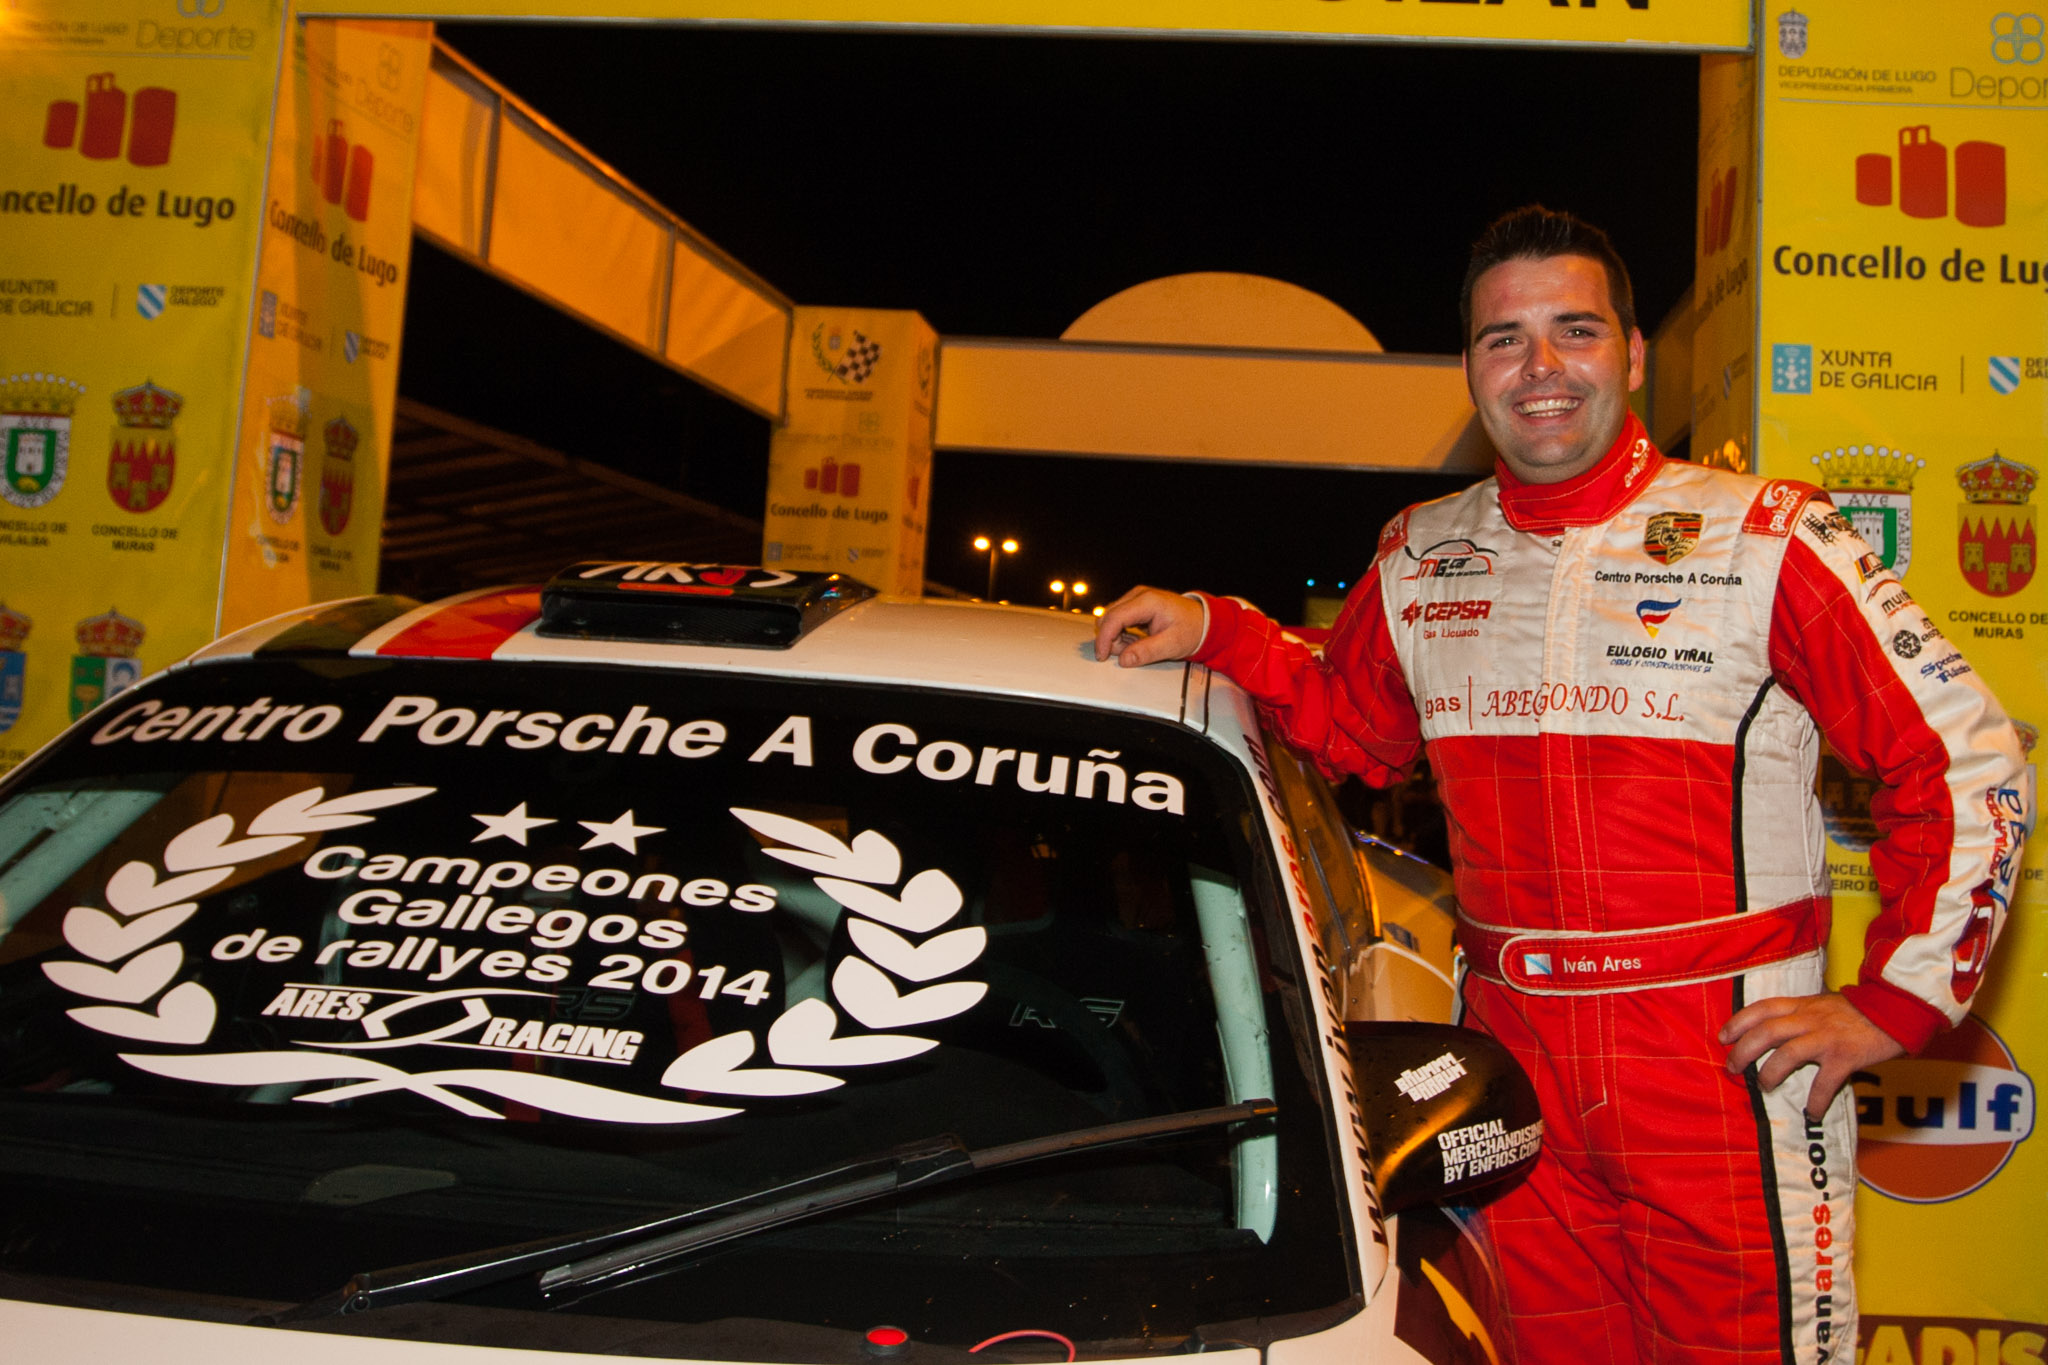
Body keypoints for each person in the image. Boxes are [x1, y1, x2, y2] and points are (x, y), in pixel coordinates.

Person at [1093, 206, 2030, 1365]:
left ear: (1630, 356)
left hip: (1716, 1063)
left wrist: (1892, 1003)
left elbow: (1963, 756)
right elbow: (1348, 727)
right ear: (1469, 369)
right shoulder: (1418, 552)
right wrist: (1217, 630)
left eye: (1573, 331)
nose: (1539, 366)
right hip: (1511, 1064)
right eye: (1504, 339)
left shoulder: (1766, 537)